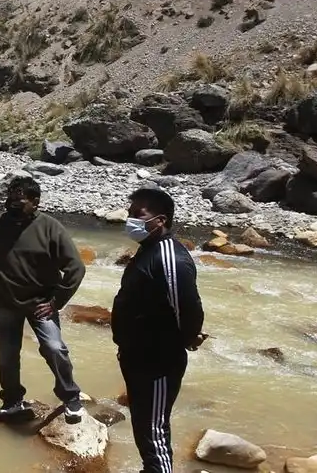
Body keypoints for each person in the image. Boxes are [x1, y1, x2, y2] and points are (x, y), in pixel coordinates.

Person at [0, 176, 88, 424]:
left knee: (54, 348)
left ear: (35, 202)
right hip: (3, 300)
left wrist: (56, 302)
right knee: (7, 355)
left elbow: (76, 268)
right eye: (10, 200)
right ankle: (12, 401)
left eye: (19, 201)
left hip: (41, 302)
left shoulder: (50, 228)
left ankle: (71, 398)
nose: (12, 205)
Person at [112, 188, 206, 473]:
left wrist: (189, 337)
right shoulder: (149, 250)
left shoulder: (169, 258)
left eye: (137, 214)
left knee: (153, 431)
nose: (130, 220)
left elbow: (188, 308)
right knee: (143, 425)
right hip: (137, 354)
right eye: (129, 213)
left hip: (158, 361)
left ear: (160, 220)